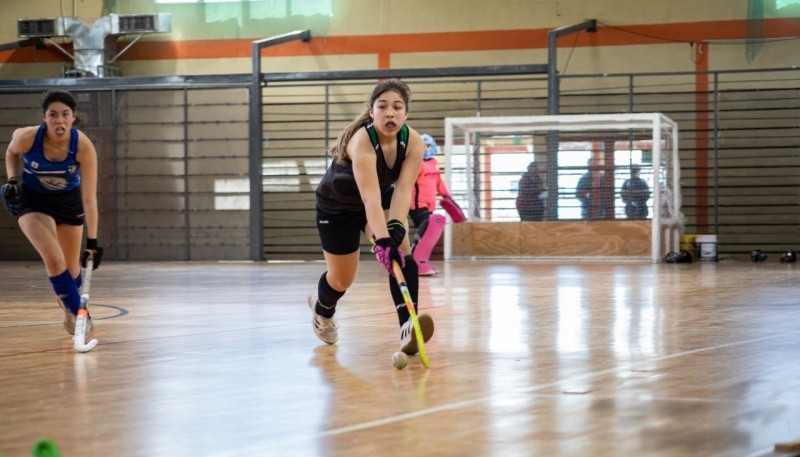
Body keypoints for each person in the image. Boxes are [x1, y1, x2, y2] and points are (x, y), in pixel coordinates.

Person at [310, 79, 434, 355]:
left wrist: (395, 229)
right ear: (371, 111)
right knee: (341, 280)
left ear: (406, 114)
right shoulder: (362, 142)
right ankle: (322, 309)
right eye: (382, 106)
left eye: (397, 107)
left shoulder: (413, 142)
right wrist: (382, 240)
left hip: (380, 201)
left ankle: (407, 326)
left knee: (402, 252)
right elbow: (369, 198)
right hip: (337, 207)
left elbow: (403, 189)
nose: (390, 113)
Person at [1, 89, 103, 340]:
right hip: (33, 203)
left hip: (68, 204)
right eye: (53, 115)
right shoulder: (26, 138)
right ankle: (83, 318)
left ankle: (70, 308)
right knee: (54, 260)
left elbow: (89, 198)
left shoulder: (83, 146)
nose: (59, 120)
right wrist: (13, 179)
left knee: (72, 272)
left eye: (65, 115)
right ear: (44, 118)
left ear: (73, 117)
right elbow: (11, 153)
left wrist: (93, 242)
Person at [408, 133, 452, 275]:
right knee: (426, 227)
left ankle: (418, 261)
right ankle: (415, 261)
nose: (425, 148)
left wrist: (446, 195)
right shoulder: (415, 163)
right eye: (422, 146)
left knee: (430, 230)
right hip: (417, 204)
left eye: (428, 145)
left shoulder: (433, 163)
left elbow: (439, 182)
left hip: (430, 204)